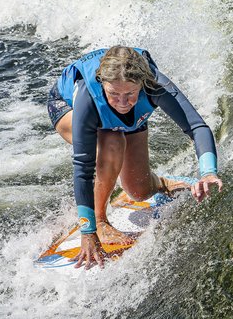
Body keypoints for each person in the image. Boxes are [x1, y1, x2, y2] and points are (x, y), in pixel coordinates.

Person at [47, 46, 223, 269]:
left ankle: (161, 182)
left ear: (142, 84)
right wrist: (88, 231)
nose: (122, 102)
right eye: (114, 94)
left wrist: (208, 172)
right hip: (66, 106)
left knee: (139, 191)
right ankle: (100, 220)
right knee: (112, 141)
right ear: (103, 84)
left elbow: (196, 127)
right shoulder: (87, 96)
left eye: (130, 94)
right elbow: (83, 166)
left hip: (121, 112)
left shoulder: (154, 84)